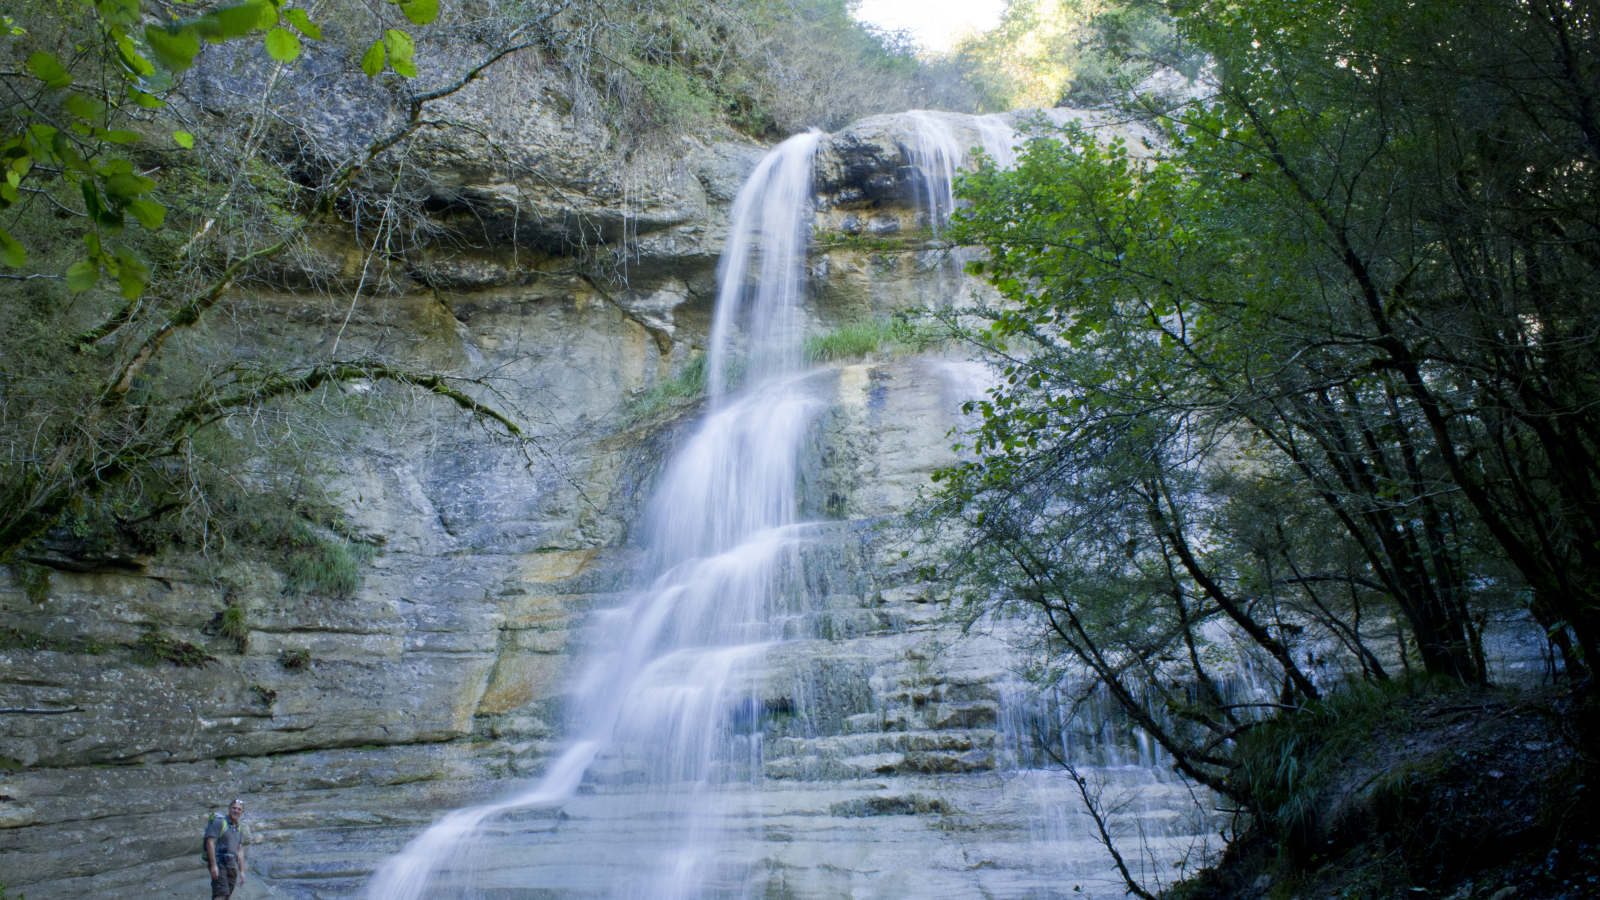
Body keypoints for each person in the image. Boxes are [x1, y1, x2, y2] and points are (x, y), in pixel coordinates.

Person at [204, 798, 247, 899]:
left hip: (231, 865)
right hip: (219, 862)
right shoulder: (219, 823)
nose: (236, 811)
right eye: (234, 808)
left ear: (242, 812)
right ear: (229, 808)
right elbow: (210, 843)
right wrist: (213, 866)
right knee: (221, 894)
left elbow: (239, 851)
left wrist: (241, 871)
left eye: (239, 809)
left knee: (226, 895)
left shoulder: (238, 828)